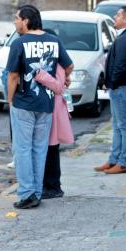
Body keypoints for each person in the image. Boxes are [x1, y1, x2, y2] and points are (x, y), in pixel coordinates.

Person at [6, 5, 73, 209]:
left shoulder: (19, 43)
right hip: (46, 104)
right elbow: (68, 65)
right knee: (39, 149)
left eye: (17, 18)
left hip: (24, 103)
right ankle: (36, 191)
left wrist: (9, 100)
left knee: (23, 149)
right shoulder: (54, 41)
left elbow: (14, 76)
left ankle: (27, 194)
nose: (15, 22)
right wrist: (64, 79)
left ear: (26, 21)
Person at [94, 6, 126, 175]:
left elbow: (120, 65)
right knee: (117, 126)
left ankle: (124, 162)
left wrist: (110, 83)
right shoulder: (123, 36)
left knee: (124, 127)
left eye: (118, 15)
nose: (115, 17)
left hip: (122, 88)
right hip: (118, 87)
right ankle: (114, 159)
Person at [34, 65, 74, 199]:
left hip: (53, 108)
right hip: (51, 108)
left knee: (50, 148)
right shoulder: (55, 61)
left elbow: (58, 86)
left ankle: (53, 186)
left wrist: (39, 74)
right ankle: (50, 185)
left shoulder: (56, 63)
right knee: (49, 148)